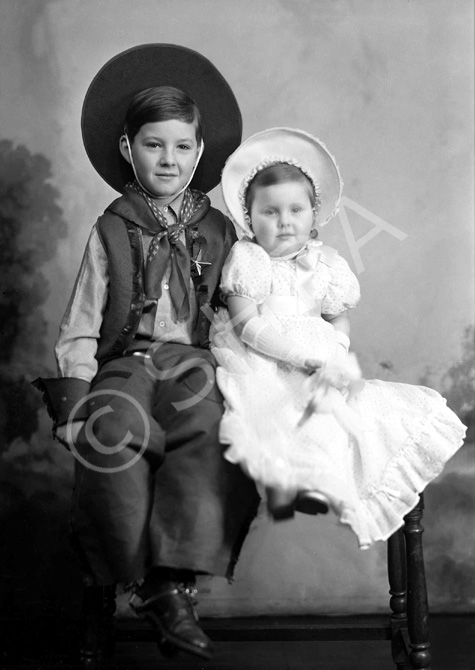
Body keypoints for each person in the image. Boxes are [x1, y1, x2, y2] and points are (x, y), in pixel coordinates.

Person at [33, 44, 260, 661]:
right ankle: (144, 577)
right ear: (128, 148)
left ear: (201, 153)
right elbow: (82, 321)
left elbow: (243, 310)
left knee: (210, 428)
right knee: (114, 428)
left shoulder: (222, 230)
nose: (169, 158)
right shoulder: (110, 228)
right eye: (154, 144)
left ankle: (172, 583)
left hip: (196, 361)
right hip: (126, 361)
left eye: (182, 146)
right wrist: (74, 399)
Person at [210, 127, 466, 546]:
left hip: (320, 358)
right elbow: (248, 327)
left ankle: (364, 479)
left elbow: (339, 318)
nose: (285, 222)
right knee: (296, 421)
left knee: (370, 417)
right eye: (270, 213)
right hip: (266, 361)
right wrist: (301, 357)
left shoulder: (326, 262)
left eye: (296, 210)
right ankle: (309, 461)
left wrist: (337, 351)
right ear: (249, 218)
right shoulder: (249, 259)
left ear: (315, 214)